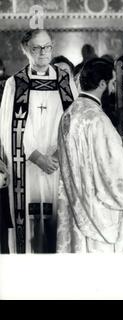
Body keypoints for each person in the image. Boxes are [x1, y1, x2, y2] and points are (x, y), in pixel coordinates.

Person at [56, 58, 123, 253]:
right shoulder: (97, 118)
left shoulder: (69, 113)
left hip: (77, 207)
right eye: (113, 83)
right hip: (101, 212)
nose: (114, 89)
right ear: (102, 84)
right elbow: (115, 171)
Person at [0, 29, 78, 253]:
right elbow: (8, 127)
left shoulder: (65, 81)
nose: (44, 52)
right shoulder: (15, 84)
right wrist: (36, 156)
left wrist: (55, 156)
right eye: (37, 48)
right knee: (28, 220)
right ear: (26, 50)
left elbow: (72, 120)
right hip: (27, 168)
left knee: (57, 219)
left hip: (58, 164)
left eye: (47, 46)